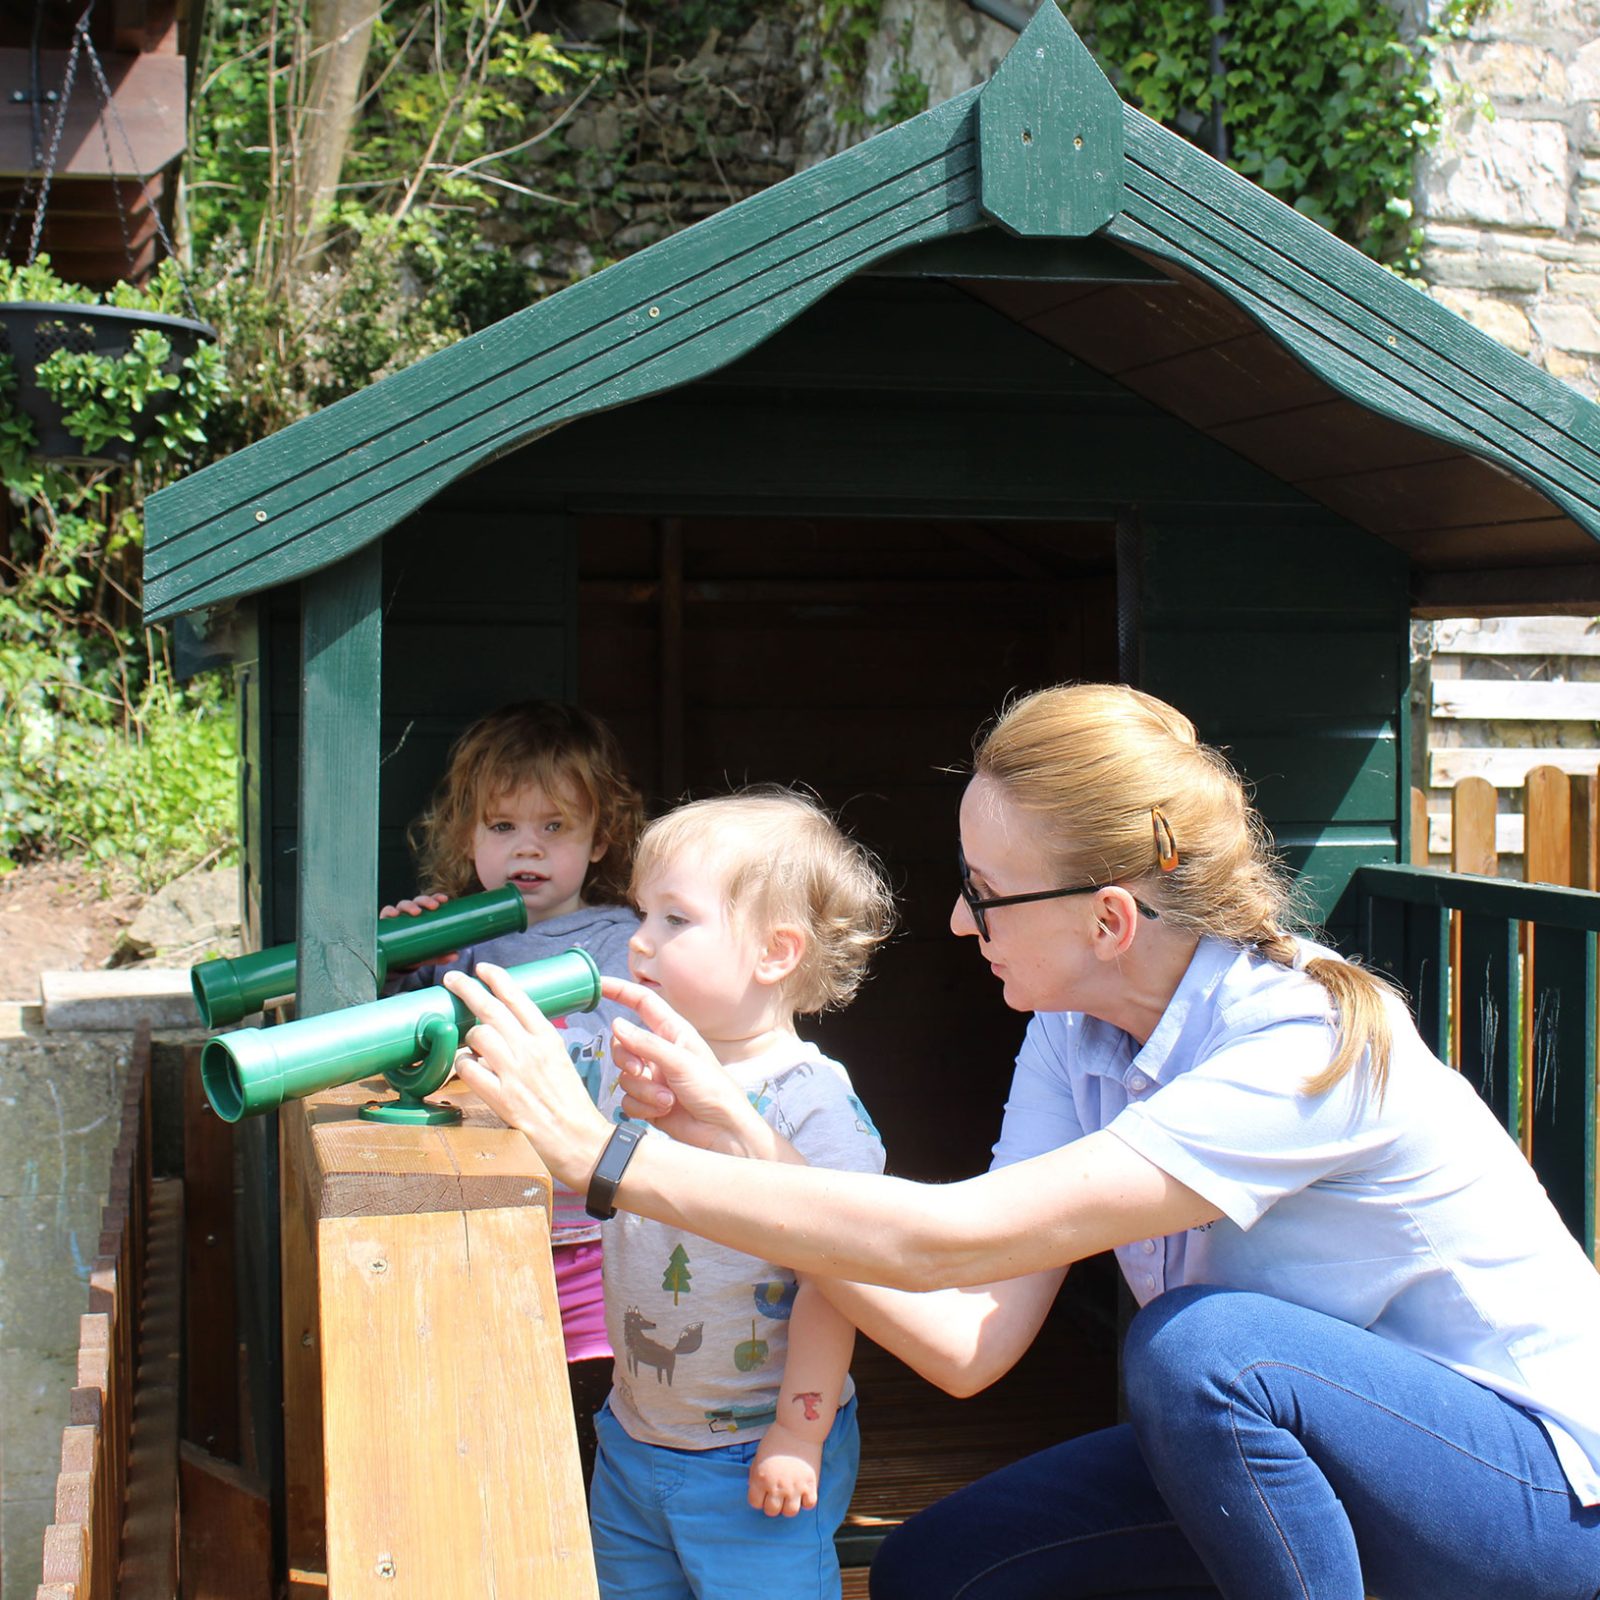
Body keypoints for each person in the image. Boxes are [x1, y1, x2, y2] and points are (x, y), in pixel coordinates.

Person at [444, 683, 1600, 1600]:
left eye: (985, 893)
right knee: (935, 1570)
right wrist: (733, 1128)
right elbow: (967, 1338)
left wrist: (607, 1153)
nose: (957, 920)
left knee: (1202, 1350)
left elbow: (952, 1235)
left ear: (1107, 919)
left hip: (1535, 1499)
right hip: (1330, 1466)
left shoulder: (1294, 1041)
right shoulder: (1074, 1027)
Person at [578, 789, 891, 1599]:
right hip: (635, 1437)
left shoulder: (811, 1106)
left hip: (755, 1450)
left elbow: (838, 1284)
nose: (639, 942)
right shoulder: (633, 1066)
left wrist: (800, 1429)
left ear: (775, 952)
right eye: (641, 915)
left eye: (674, 920)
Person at [383, 697, 644, 1493]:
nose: (526, 847)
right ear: (469, 836)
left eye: (555, 827)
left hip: (606, 1237)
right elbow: (387, 1036)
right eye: (502, 827)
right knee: (505, 1435)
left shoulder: (627, 936)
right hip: (494, 1229)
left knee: (600, 1426)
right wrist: (395, 951)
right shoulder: (453, 941)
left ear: (599, 838)